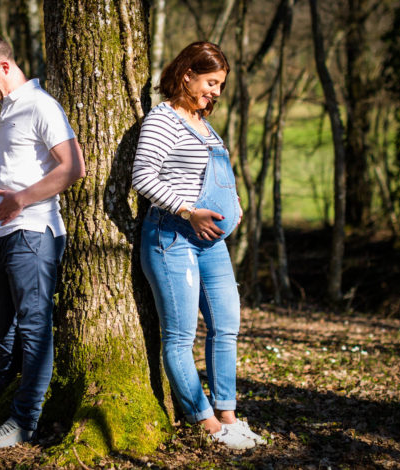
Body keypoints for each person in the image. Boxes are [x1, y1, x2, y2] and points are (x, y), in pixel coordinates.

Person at [132, 41, 264, 450]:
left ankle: (229, 415)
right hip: (172, 237)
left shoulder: (206, 124)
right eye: (211, 82)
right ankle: (206, 423)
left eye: (221, 85)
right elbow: (143, 177)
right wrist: (190, 212)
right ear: (186, 74)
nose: (216, 92)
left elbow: (218, 173)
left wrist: (235, 204)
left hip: (212, 244)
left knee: (226, 326)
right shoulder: (163, 119)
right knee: (180, 337)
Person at [0, 33, 85, 451]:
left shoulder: (40, 105)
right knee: (3, 323)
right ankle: (5, 403)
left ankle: (23, 421)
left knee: (34, 326)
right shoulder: (9, 108)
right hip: (7, 235)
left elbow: (73, 167)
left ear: (5, 66)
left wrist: (20, 199)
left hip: (34, 232)